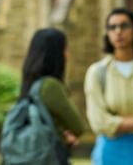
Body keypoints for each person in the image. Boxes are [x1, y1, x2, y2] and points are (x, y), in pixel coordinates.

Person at [19, 28, 84, 165]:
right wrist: (64, 135)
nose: (68, 54)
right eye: (65, 49)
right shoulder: (51, 86)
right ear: (57, 54)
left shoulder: (29, 84)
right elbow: (78, 127)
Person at [84, 8, 133, 165]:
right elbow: (99, 122)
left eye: (124, 26)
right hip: (111, 152)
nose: (118, 31)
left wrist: (116, 122)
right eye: (112, 27)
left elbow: (108, 122)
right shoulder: (98, 72)